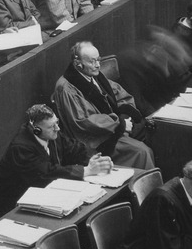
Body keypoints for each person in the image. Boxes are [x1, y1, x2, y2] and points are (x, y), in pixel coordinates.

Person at [51, 41, 155, 169]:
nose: (98, 65)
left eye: (98, 60)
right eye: (92, 61)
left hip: (111, 128)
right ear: (77, 63)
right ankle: (140, 187)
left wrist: (125, 115)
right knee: (142, 152)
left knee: (155, 135)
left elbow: (120, 94)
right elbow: (83, 122)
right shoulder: (66, 88)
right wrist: (119, 123)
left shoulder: (93, 76)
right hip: (94, 140)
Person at [0, 104, 113, 214]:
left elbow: (75, 149)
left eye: (57, 122)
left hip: (42, 194)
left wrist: (95, 160)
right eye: (51, 126)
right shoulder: (21, 147)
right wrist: (86, 171)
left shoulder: (52, 134)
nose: (57, 128)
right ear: (37, 130)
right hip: (14, 204)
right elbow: (46, 173)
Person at [117, 25, 192, 117]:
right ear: (152, 47)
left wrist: (165, 70)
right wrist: (159, 117)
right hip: (151, 116)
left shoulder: (160, 58)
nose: (164, 50)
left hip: (168, 109)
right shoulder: (129, 63)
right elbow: (138, 102)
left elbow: (177, 90)